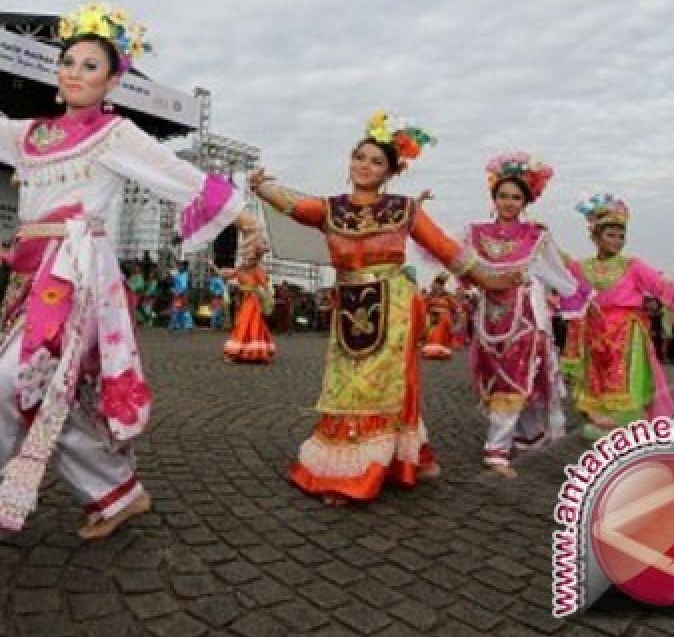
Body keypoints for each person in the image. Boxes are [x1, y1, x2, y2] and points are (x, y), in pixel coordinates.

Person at [0, 1, 262, 582]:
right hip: (28, 279)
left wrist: (247, 222)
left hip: (73, 280)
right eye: (68, 61)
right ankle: (118, 493)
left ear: (112, 80)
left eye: (90, 65)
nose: (74, 71)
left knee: (4, 390)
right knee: (49, 395)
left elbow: (185, 180)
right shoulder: (31, 135)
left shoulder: (114, 135)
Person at [250, 112, 519, 506]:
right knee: (345, 382)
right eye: (360, 157)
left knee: (380, 383)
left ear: (390, 172)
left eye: (377, 161)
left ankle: (362, 472)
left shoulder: (405, 209)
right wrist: (261, 186)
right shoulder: (330, 208)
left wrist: (490, 278)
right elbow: (294, 205)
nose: (365, 166)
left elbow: (446, 249)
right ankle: (377, 461)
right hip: (350, 304)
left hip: (393, 304)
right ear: (349, 161)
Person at [465, 153, 592, 478]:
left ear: (526, 201)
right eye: (503, 196)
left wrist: (585, 301)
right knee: (498, 381)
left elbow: (560, 276)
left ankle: (497, 450)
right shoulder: (475, 234)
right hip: (489, 320)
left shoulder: (537, 237)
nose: (509, 202)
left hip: (526, 320)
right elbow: (464, 273)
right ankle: (527, 437)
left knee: (516, 379)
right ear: (494, 198)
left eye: (516, 197)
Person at [562, 194, 674, 438]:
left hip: (625, 334)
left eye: (621, 236)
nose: (617, 241)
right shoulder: (580, 267)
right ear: (595, 236)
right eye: (610, 235)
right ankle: (604, 430)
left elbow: (662, 287)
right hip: (594, 332)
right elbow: (566, 285)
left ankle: (625, 430)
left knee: (625, 382)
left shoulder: (633, 265)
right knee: (596, 381)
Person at [215, 241, 276, 363]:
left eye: (251, 257)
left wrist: (267, 297)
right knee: (251, 325)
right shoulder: (240, 270)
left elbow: (266, 286)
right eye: (247, 257)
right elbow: (225, 275)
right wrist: (213, 266)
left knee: (247, 324)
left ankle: (238, 352)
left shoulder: (257, 270)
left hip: (252, 301)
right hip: (244, 300)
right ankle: (256, 352)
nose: (248, 260)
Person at [421, 273, 455, 359]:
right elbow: (423, 305)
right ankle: (431, 353)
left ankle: (441, 353)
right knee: (432, 334)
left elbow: (455, 306)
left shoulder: (447, 296)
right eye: (433, 285)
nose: (433, 287)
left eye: (436, 285)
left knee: (441, 334)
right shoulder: (429, 296)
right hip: (432, 318)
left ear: (441, 286)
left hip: (444, 318)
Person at [168, 261, 194, 330]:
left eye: (180, 266)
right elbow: (172, 282)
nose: (179, 267)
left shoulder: (184, 275)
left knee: (179, 310)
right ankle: (181, 325)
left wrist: (178, 294)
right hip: (179, 295)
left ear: (184, 267)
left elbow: (184, 287)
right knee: (180, 310)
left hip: (181, 296)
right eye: (179, 265)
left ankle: (180, 325)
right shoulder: (179, 274)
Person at [205, 264, 229, 331]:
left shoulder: (217, 280)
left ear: (213, 272)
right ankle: (218, 325)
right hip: (214, 298)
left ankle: (215, 325)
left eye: (209, 272)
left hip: (218, 298)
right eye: (207, 272)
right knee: (215, 312)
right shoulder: (211, 280)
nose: (208, 274)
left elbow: (223, 288)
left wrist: (218, 294)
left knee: (217, 312)